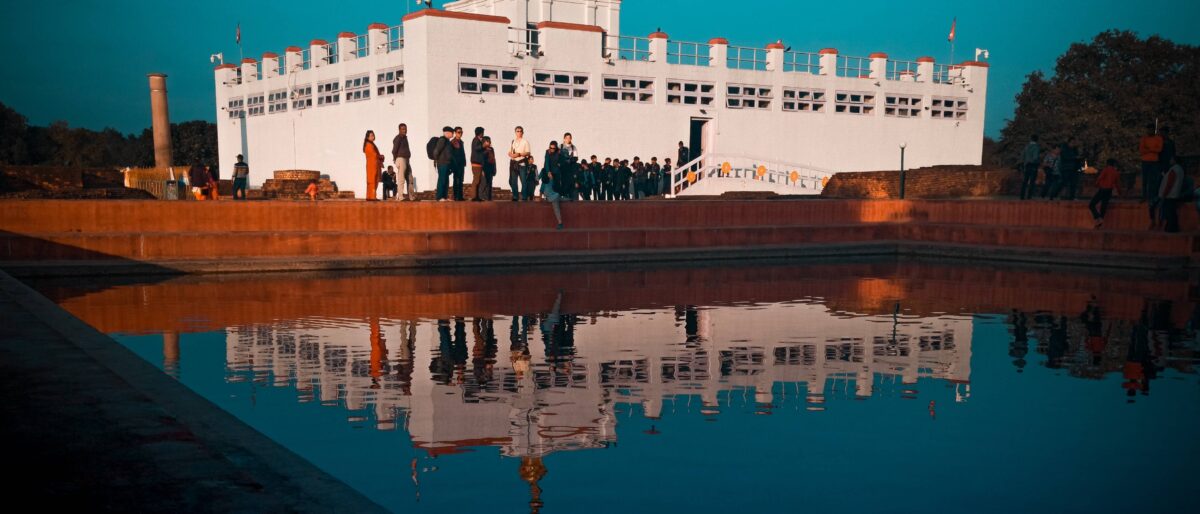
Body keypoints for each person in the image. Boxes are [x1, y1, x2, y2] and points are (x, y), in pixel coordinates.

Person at [1089, 159, 1120, 228]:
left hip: (1102, 189)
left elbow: (1100, 178)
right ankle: (1099, 223)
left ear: (1107, 164)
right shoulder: (1116, 172)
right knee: (1104, 206)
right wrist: (1120, 192)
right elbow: (1117, 184)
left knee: (1091, 204)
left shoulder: (1105, 170)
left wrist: (1096, 184)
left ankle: (1097, 217)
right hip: (1109, 191)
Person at [1159, 155, 1185, 233]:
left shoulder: (1174, 169)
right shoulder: (1180, 169)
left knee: (1169, 212)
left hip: (1170, 195)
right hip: (1175, 194)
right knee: (1172, 212)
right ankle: (1172, 227)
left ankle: (1171, 228)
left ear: (1174, 160)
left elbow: (1169, 183)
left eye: (1171, 159)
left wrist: (1164, 194)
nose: (1170, 160)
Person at [538, 151, 565, 230]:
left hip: (553, 196)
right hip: (553, 195)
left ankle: (560, 223)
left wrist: (540, 196)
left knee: (556, 208)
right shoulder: (549, 175)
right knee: (560, 199)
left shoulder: (549, 177)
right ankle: (568, 199)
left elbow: (542, 187)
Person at [1138, 124, 1163, 201]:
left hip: (1154, 161)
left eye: (1151, 129)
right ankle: (1144, 196)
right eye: (1148, 129)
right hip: (1145, 161)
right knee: (1144, 179)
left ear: (1154, 130)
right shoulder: (1143, 138)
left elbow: (1159, 149)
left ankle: (1152, 196)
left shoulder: (1158, 138)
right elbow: (1141, 150)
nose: (1150, 131)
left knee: (1153, 180)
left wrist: (1148, 149)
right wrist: (1153, 149)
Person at [392, 123, 416, 201]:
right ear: (399, 130)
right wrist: (395, 159)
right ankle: (400, 196)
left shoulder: (405, 138)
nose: (404, 130)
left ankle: (411, 196)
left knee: (410, 178)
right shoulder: (398, 138)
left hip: (406, 159)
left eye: (405, 129)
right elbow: (394, 150)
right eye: (402, 129)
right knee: (401, 178)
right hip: (401, 159)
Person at [508, 126, 531, 201]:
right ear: (515, 132)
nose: (519, 132)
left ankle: (524, 196)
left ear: (522, 132)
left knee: (523, 181)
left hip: (522, 163)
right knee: (513, 181)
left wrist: (519, 154)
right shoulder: (513, 141)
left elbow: (528, 152)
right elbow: (510, 152)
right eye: (517, 131)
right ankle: (515, 196)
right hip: (514, 163)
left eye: (520, 131)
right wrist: (511, 154)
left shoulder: (525, 141)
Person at [431, 126, 454, 201]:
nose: (453, 134)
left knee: (446, 180)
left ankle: (444, 196)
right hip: (442, 163)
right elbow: (436, 151)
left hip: (447, 163)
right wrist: (436, 160)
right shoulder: (442, 140)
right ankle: (439, 197)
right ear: (447, 133)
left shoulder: (447, 141)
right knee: (442, 179)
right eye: (452, 132)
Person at [363, 130, 382, 201]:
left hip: (373, 165)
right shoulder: (369, 145)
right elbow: (374, 155)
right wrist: (381, 156)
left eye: (373, 135)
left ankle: (370, 196)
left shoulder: (371, 144)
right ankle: (372, 197)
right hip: (372, 165)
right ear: (367, 137)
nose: (373, 137)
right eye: (371, 135)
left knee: (373, 180)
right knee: (372, 181)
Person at [1019, 135, 1040, 200]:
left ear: (1031, 139)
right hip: (1033, 165)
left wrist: (1024, 163)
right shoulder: (1036, 147)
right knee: (1032, 181)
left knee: (1025, 181)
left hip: (1026, 165)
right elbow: (1035, 157)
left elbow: (1022, 156)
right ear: (1037, 139)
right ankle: (1029, 196)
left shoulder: (1026, 146)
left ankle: (1022, 196)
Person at [469, 126, 486, 201]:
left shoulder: (477, 140)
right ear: (480, 133)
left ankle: (477, 196)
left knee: (478, 180)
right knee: (476, 180)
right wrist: (483, 146)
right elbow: (477, 148)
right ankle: (474, 197)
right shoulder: (476, 140)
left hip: (478, 163)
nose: (483, 134)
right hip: (476, 163)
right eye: (482, 132)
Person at [451, 127, 467, 201]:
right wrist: (453, 164)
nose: (460, 133)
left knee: (460, 180)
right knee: (456, 180)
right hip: (455, 164)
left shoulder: (461, 142)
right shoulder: (453, 142)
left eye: (461, 132)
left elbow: (462, 153)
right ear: (455, 132)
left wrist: (464, 162)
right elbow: (452, 154)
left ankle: (460, 196)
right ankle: (456, 196)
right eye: (458, 132)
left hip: (461, 164)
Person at [480, 136, 496, 201]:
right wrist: (482, 170)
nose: (489, 142)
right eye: (488, 141)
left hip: (490, 168)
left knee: (489, 184)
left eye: (489, 141)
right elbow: (481, 159)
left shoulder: (491, 149)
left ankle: (488, 199)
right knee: (484, 183)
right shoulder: (482, 149)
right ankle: (481, 198)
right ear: (484, 141)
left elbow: (493, 159)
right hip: (484, 168)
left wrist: (494, 169)